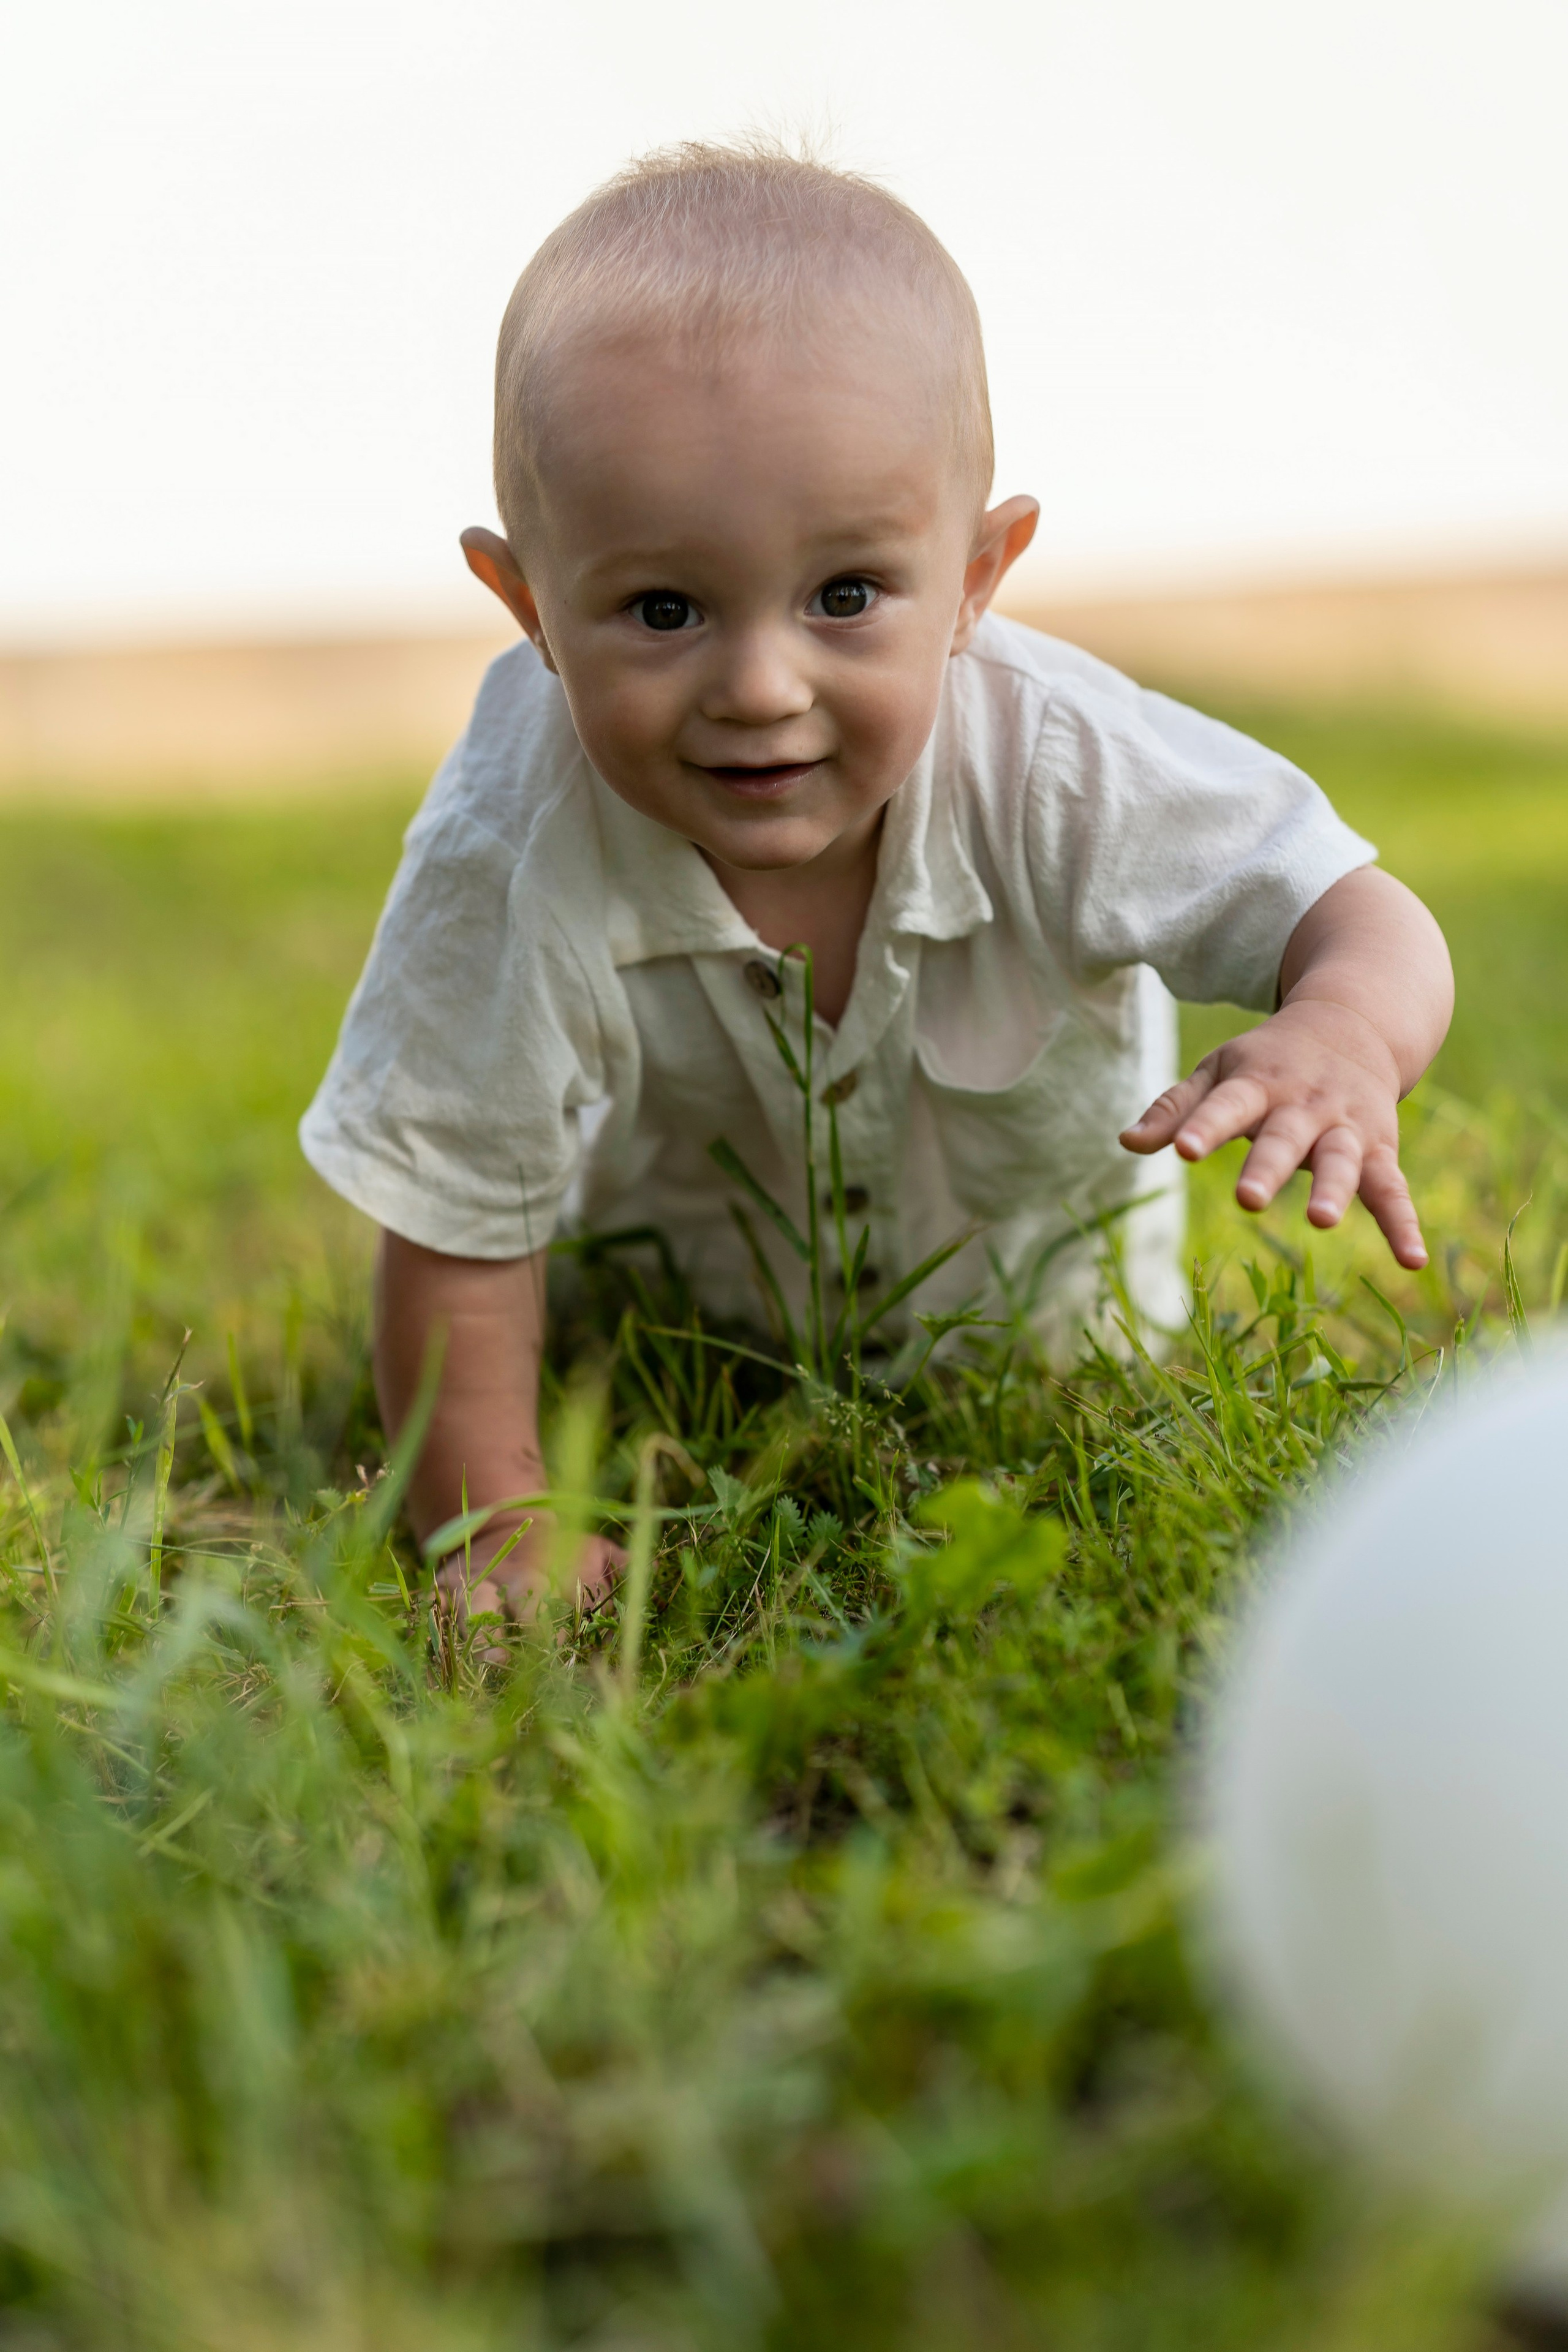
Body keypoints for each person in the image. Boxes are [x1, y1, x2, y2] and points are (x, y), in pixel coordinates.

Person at [300, 140, 1453, 1623]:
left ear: (976, 575)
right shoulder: (513, 838)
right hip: (675, 1338)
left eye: (845, 596)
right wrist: (495, 1520)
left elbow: (1347, 908)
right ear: (526, 603)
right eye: (663, 608)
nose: (760, 685)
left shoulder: (1054, 762)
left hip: (1054, 1354)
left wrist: (1345, 1032)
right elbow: (458, 1209)